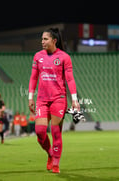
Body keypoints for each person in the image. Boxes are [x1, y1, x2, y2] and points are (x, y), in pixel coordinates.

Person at [28, 27, 80, 173]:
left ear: (54, 40)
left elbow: (70, 79)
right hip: (42, 100)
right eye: (42, 39)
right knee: (40, 132)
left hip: (59, 99)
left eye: (45, 39)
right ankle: (50, 154)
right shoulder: (38, 56)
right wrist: (30, 97)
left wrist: (74, 100)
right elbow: (33, 78)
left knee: (56, 132)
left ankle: (56, 163)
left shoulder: (64, 57)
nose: (42, 41)